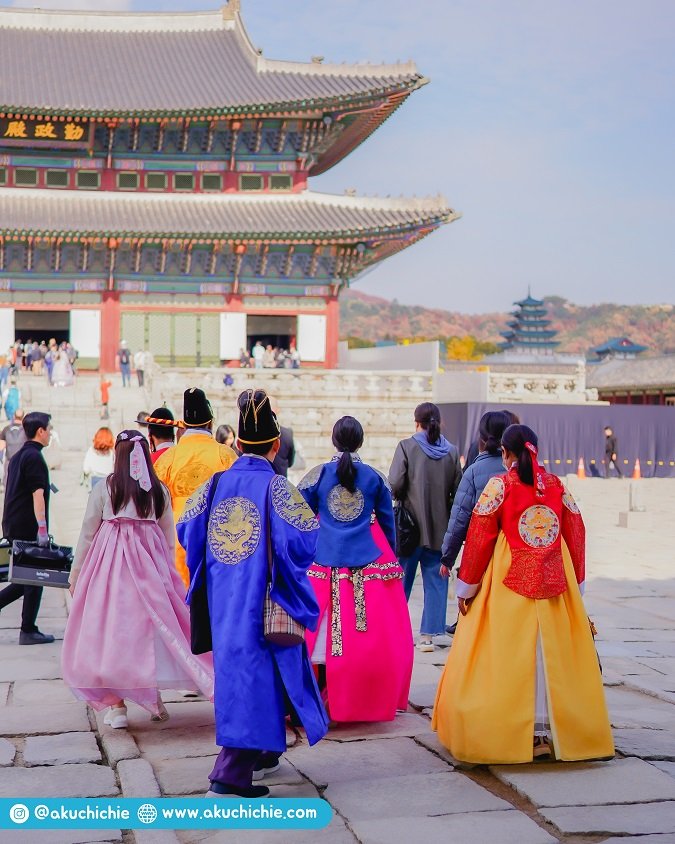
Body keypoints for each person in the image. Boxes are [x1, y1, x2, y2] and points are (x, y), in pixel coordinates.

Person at [432, 424, 614, 764]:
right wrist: (576, 580)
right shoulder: (557, 485)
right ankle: (551, 732)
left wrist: (467, 586)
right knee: (550, 653)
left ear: (505, 452)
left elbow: (479, 536)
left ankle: (510, 731)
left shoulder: (499, 486)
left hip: (508, 581)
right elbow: (576, 530)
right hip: (555, 580)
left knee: (510, 653)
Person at [177, 389, 327, 797]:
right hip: (263, 601)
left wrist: (217, 564)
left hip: (223, 601)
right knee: (255, 680)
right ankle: (228, 776)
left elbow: (186, 529)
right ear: (276, 445)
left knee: (238, 676)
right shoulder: (278, 488)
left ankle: (264, 753)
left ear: (239, 444)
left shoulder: (215, 484)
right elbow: (305, 539)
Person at [62, 430, 214, 728]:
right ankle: (151, 695)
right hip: (150, 568)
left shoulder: (106, 488)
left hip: (110, 570)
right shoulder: (157, 490)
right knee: (153, 629)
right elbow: (168, 536)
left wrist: (76, 574)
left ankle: (118, 706)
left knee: (112, 629)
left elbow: (88, 533)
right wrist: (168, 571)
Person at [299, 416, 413, 722]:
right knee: (366, 632)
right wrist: (389, 558)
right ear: (361, 441)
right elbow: (388, 525)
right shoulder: (375, 478)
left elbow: (301, 518)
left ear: (334, 440)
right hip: (368, 563)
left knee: (319, 630)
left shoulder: (317, 475)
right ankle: (361, 696)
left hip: (321, 562)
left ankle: (318, 693)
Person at [389, 402, 461, 652]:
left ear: (416, 422)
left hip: (408, 529)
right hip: (440, 530)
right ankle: (428, 637)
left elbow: (394, 484)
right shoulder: (451, 452)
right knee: (436, 581)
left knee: (401, 582)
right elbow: (457, 491)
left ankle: (396, 633)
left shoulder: (406, 447)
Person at [154, 388, 237, 589]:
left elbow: (154, 506)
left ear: (183, 426)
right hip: (217, 541)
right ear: (210, 423)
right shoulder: (225, 456)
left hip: (176, 541)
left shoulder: (167, 459)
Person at [440, 411, 511, 634]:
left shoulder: (473, 471)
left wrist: (448, 557)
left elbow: (459, 518)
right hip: (514, 553)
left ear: (481, 437)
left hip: (481, 552)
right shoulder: (519, 471)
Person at [0, 412, 55, 645]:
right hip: (27, 526)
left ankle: (28, 629)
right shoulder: (34, 457)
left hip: (14, 523)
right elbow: (37, 494)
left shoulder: (18, 456)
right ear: (40, 431)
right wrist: (42, 529)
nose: (50, 433)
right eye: (49, 429)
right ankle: (28, 630)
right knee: (35, 577)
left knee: (28, 579)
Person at [0, 409, 27, 487]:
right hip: (22, 460)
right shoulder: (26, 430)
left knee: (8, 481)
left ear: (14, 417)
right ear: (23, 417)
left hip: (10, 460)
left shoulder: (6, 429)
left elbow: (1, 446)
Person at [270, 400, 295, 478]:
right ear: (277, 410)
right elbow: (290, 462)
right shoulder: (287, 433)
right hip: (280, 480)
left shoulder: (251, 434)